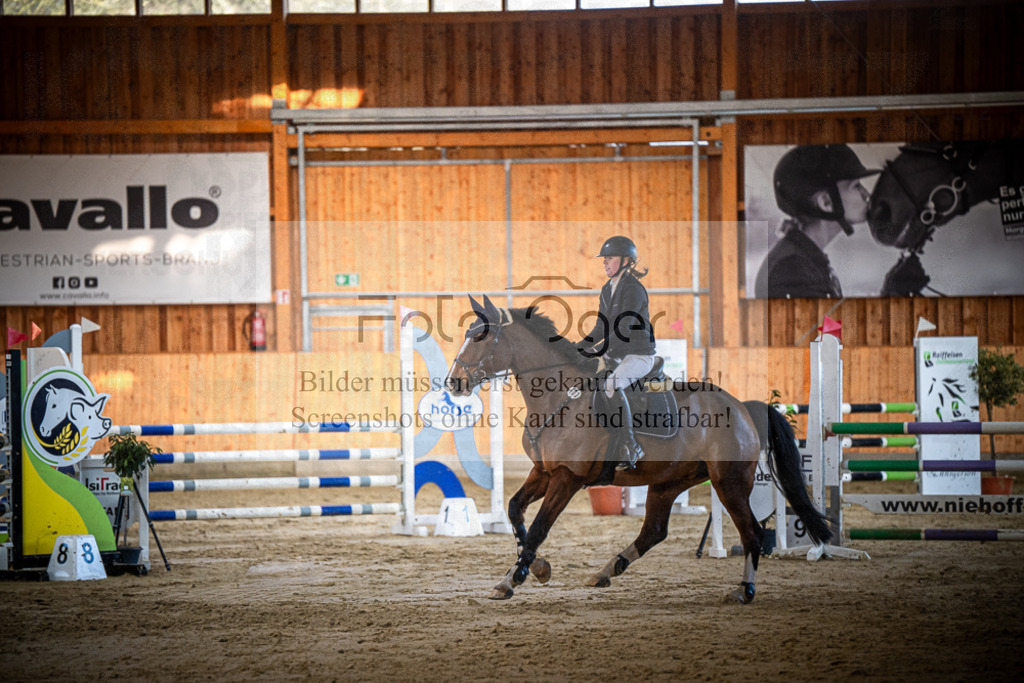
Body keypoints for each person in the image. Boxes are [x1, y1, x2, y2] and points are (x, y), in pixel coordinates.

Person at [754, 144, 929, 298]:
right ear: (826, 203)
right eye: (856, 186)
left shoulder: (804, 259)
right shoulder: (792, 269)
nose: (866, 195)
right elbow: (825, 336)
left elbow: (830, 328)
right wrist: (893, 295)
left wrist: (890, 292)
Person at [577, 236, 656, 470]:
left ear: (625, 260)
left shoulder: (634, 289)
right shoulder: (607, 289)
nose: (605, 263)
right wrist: (576, 348)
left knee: (611, 385)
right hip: (616, 354)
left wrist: (597, 349)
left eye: (609, 258)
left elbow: (624, 327)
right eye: (605, 259)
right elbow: (601, 327)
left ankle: (631, 444)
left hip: (638, 355)